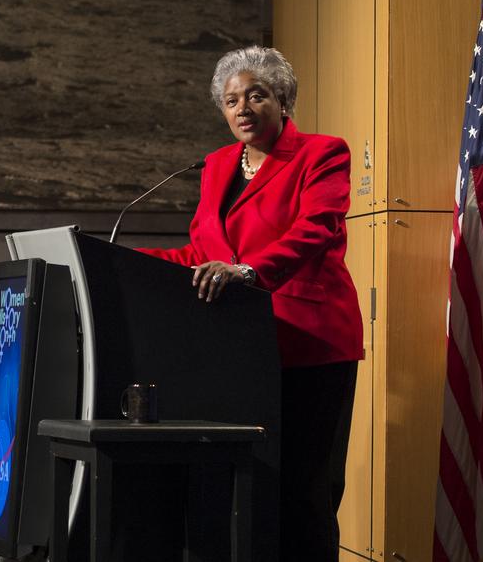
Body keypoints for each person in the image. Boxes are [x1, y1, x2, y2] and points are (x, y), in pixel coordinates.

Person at [142, 45, 364, 561]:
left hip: (309, 344)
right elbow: (203, 251)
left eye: (256, 95)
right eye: (231, 99)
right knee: (247, 486)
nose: (242, 108)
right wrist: (118, 258)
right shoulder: (217, 165)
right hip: (236, 347)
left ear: (282, 101)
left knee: (306, 491)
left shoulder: (322, 153)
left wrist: (249, 271)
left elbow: (316, 228)